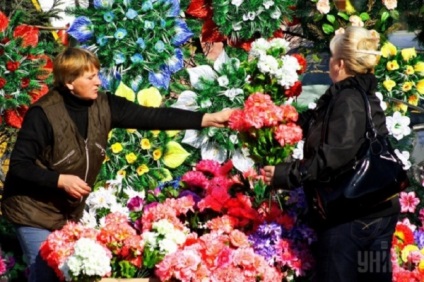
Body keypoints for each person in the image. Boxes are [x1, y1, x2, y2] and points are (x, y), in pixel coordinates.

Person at [0, 47, 233, 282]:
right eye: (90, 77)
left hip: (67, 213)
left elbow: (152, 116)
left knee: (69, 274)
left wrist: (207, 118)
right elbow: (19, 166)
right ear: (70, 82)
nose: (98, 82)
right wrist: (59, 180)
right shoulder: (43, 114)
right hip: (32, 211)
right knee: (43, 273)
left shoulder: (105, 105)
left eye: (97, 75)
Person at [263, 26, 400, 282]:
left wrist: (286, 174)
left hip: (350, 216)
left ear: (339, 63)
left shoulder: (348, 99)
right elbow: (320, 122)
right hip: (376, 211)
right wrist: (281, 120)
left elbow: (334, 156)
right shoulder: (360, 93)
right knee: (371, 278)